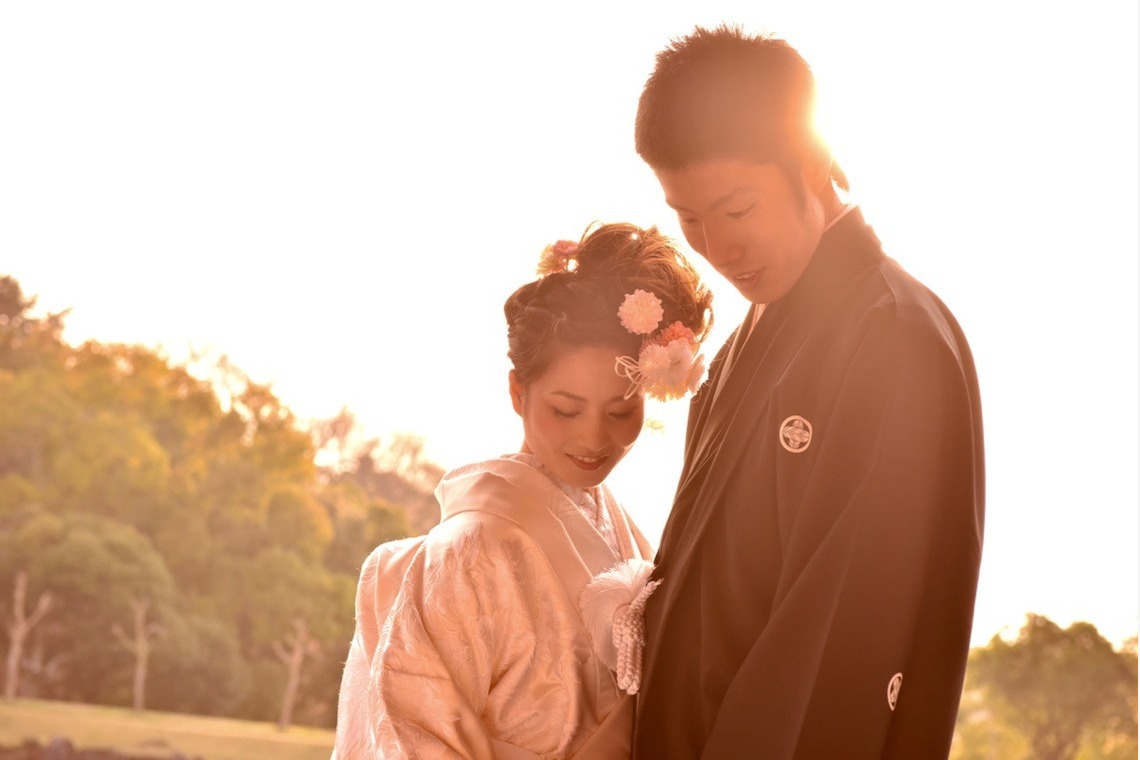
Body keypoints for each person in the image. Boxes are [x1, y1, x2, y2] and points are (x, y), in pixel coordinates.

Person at [629, 25, 985, 759]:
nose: (718, 248)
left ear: (813, 158)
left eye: (735, 209)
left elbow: (837, 652)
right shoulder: (738, 351)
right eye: (688, 220)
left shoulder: (895, 340)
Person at [332, 222, 713, 759]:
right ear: (518, 390)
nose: (594, 437)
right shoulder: (467, 553)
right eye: (566, 409)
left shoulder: (620, 526)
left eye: (621, 411)